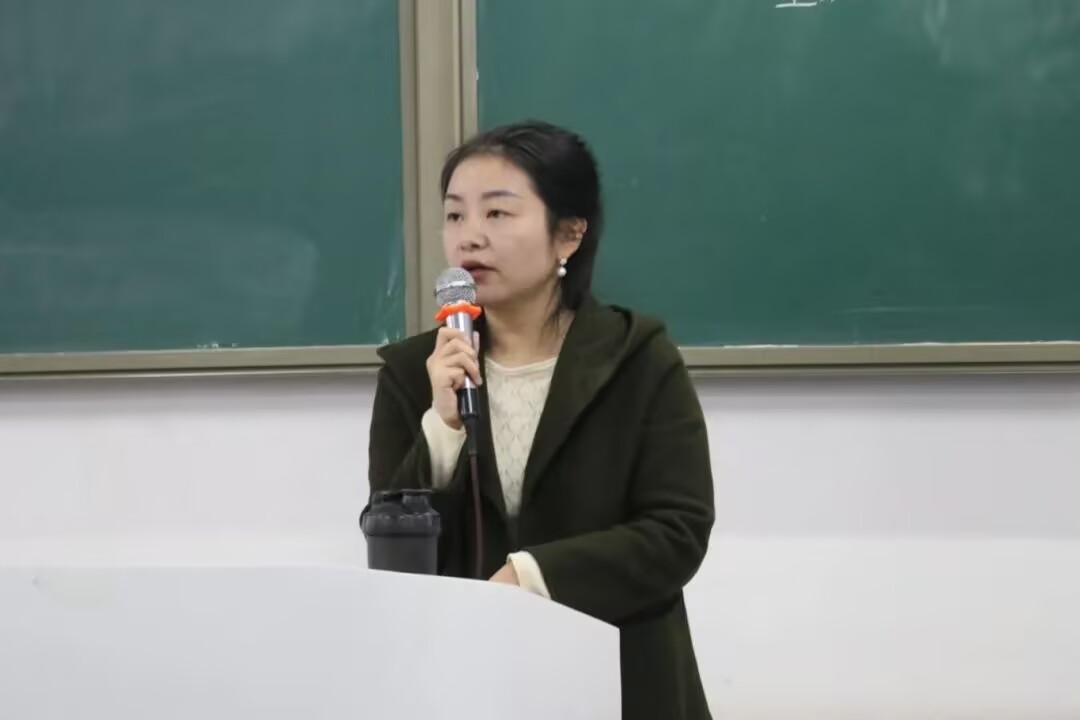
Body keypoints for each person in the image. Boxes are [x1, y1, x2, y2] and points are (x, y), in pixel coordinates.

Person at [367, 120, 715, 719]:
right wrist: (442, 428)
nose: (470, 237)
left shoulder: (637, 358)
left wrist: (530, 576)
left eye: (497, 213)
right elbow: (393, 559)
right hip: (470, 682)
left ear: (569, 235)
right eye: (455, 215)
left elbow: (677, 530)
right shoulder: (415, 372)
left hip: (621, 677)